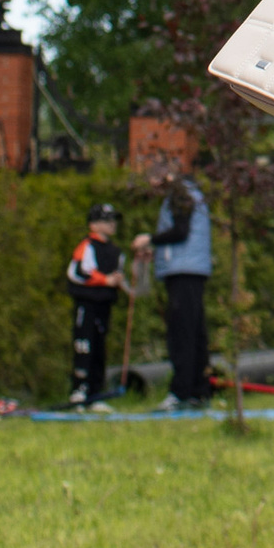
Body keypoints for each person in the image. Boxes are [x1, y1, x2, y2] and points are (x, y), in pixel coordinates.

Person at [139, 166, 214, 412]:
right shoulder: (191, 193)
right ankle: (198, 391)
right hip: (193, 269)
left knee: (181, 334)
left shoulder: (180, 196)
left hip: (183, 270)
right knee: (195, 333)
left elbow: (180, 232)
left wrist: (150, 240)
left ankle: (180, 393)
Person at [65, 204, 124, 413]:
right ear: (94, 224)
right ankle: (79, 391)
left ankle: (96, 393)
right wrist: (104, 280)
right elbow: (78, 272)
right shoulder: (86, 246)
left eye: (112, 220)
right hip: (87, 304)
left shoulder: (115, 251)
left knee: (100, 348)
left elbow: (119, 278)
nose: (112, 224)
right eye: (106, 220)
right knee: (84, 346)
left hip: (104, 305)